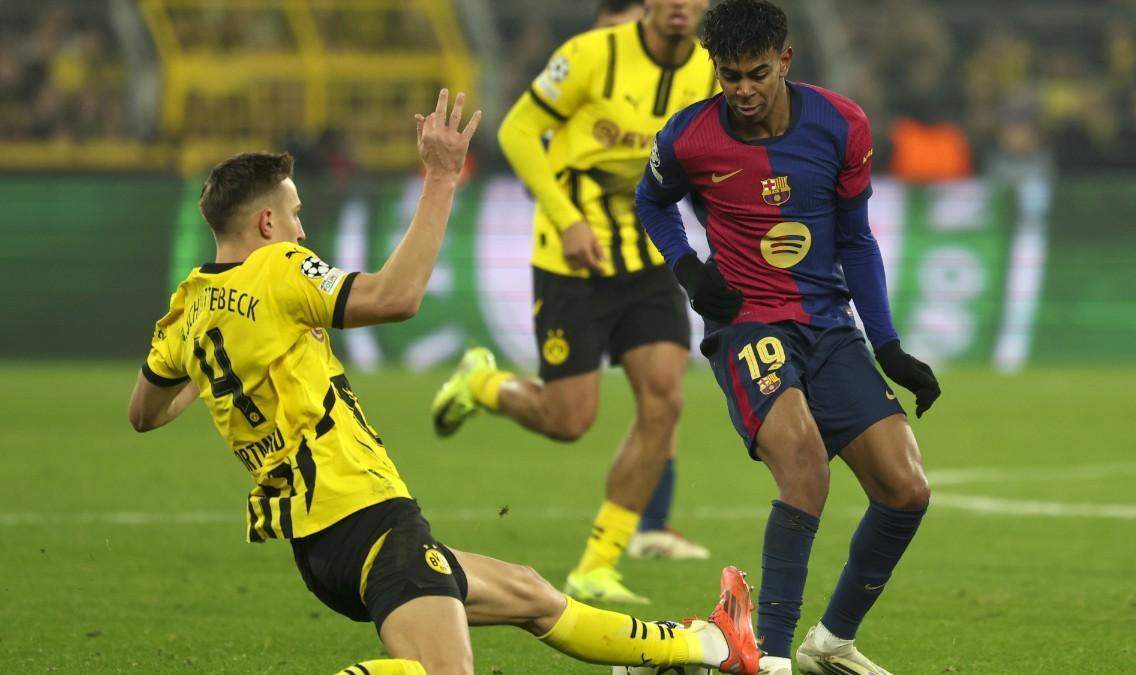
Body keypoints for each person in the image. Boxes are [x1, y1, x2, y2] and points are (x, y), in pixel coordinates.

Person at [126, 91, 760, 675]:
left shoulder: (188, 309)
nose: (302, 230)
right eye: (294, 215)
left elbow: (145, 414)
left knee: (531, 594)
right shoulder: (278, 267)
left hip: (320, 543)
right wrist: (441, 178)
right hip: (366, 520)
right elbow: (395, 297)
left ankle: (708, 645)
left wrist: (213, 374)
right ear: (266, 225)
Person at [634, 1, 942, 673]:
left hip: (829, 323)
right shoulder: (688, 137)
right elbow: (649, 201)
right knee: (804, 464)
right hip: (747, 324)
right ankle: (766, 651)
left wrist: (887, 345)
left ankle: (829, 643)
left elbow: (856, 239)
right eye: (729, 76)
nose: (741, 90)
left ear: (786, 61)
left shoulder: (841, 124)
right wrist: (689, 269)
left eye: (756, 73)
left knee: (906, 487)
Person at [433, 0, 718, 605]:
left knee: (665, 398)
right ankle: (482, 384)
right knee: (569, 420)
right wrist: (565, 219)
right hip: (570, 258)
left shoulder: (709, 70)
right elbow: (515, 129)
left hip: (645, 258)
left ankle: (597, 565)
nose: (680, 6)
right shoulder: (591, 56)